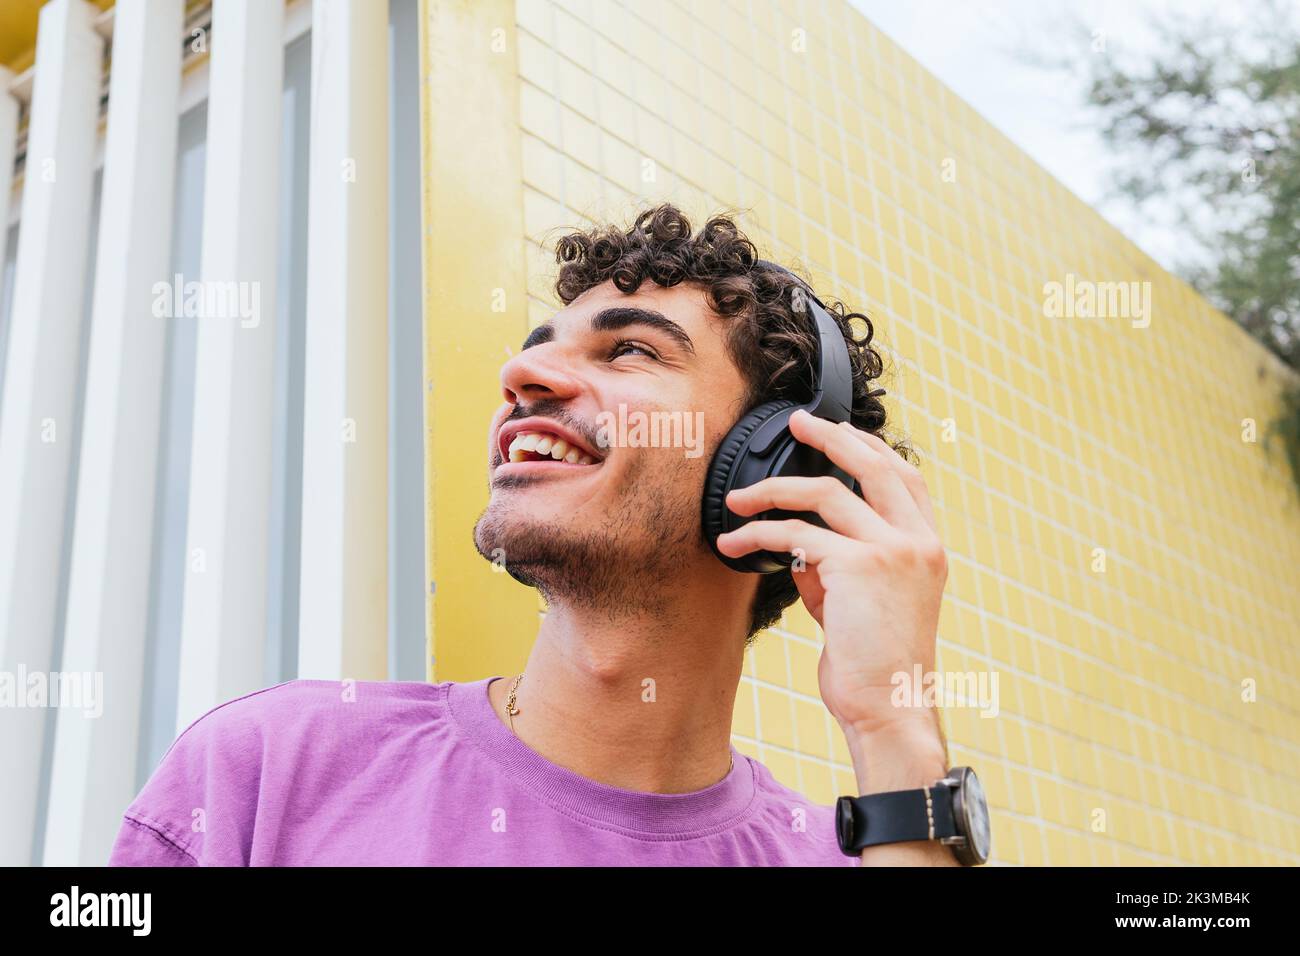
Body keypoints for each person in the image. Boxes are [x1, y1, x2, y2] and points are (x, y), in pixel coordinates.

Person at [108, 204, 955, 866]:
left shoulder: (866, 854)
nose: (519, 375)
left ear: (771, 469)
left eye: (629, 352)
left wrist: (895, 730)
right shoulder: (273, 767)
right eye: (537, 350)